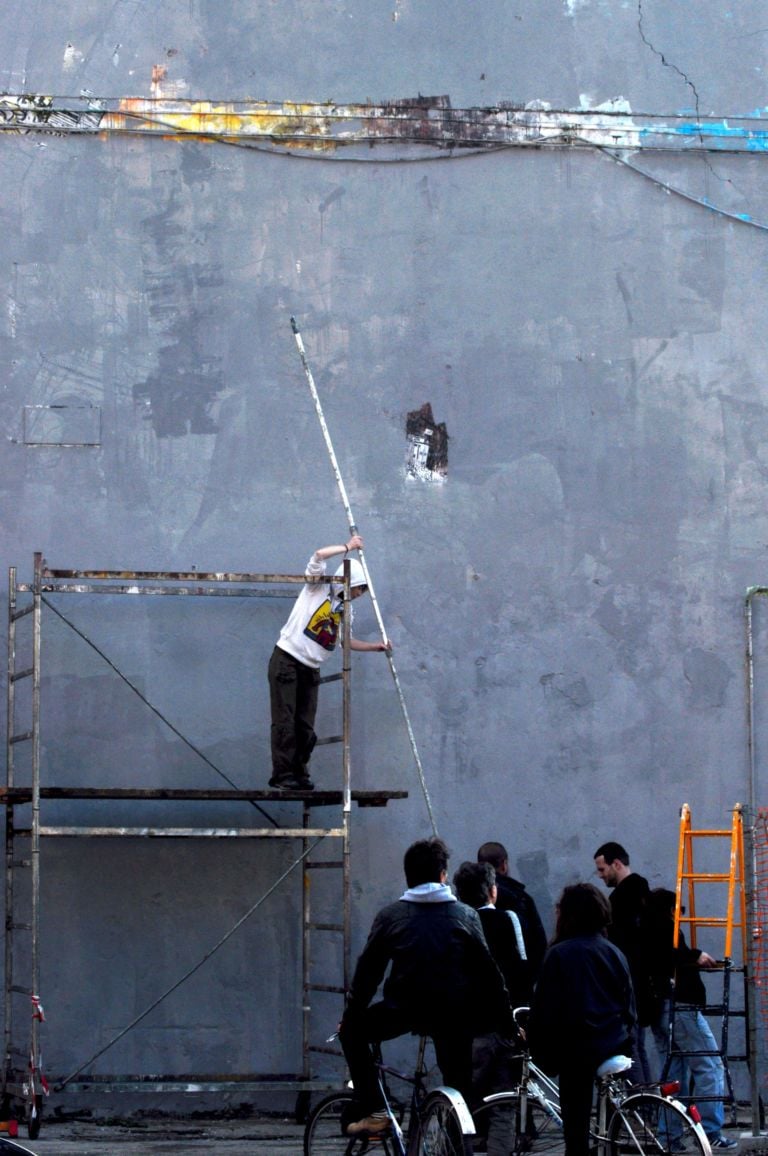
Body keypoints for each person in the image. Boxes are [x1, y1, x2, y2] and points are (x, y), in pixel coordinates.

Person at [338, 838, 514, 1137]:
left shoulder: (391, 916)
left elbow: (368, 974)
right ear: (443, 875)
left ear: (408, 875)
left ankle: (376, 1108)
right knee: (458, 1083)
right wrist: (507, 1021)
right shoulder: (465, 915)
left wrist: (352, 1014)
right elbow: (490, 976)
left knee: (351, 1033)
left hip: (403, 1010)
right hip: (454, 1015)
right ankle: (457, 1132)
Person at [267, 535, 391, 790]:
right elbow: (319, 555)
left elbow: (346, 642)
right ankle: (282, 775)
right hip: (287, 660)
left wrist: (376, 647)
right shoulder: (318, 586)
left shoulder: (346, 609)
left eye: (361, 591)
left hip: (311, 667)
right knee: (285, 720)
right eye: (358, 589)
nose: (358, 595)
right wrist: (348, 547)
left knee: (305, 725)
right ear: (350, 582)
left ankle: (299, 773)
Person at [528, 883, 636, 1156]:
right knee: (609, 1121)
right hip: (613, 1044)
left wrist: (535, 1045)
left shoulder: (559, 954)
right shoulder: (614, 952)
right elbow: (629, 1009)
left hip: (576, 1052)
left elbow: (545, 1011)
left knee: (575, 1131)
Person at [646, 888, 738, 1151]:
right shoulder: (666, 929)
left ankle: (669, 1138)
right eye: (680, 910)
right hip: (681, 1007)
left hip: (660, 1008)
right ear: (670, 909)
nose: (681, 915)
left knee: (673, 1073)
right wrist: (694, 955)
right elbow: (671, 953)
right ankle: (710, 1132)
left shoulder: (647, 928)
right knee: (709, 1066)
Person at [453, 860, 529, 1156]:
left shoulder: (457, 922)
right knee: (503, 1105)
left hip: (469, 1029)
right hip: (504, 1025)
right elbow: (521, 970)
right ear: (492, 891)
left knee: (462, 1102)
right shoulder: (508, 920)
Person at [594, 841, 653, 1082]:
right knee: (638, 1048)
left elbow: (620, 945)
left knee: (631, 1051)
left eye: (602, 869)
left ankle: (639, 1107)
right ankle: (647, 1105)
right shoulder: (643, 894)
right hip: (641, 984)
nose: (600, 876)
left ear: (616, 864)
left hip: (629, 986)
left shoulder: (619, 900)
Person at [477, 841, 547, 979]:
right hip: (519, 983)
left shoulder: (467, 901)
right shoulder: (521, 899)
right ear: (504, 865)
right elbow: (539, 944)